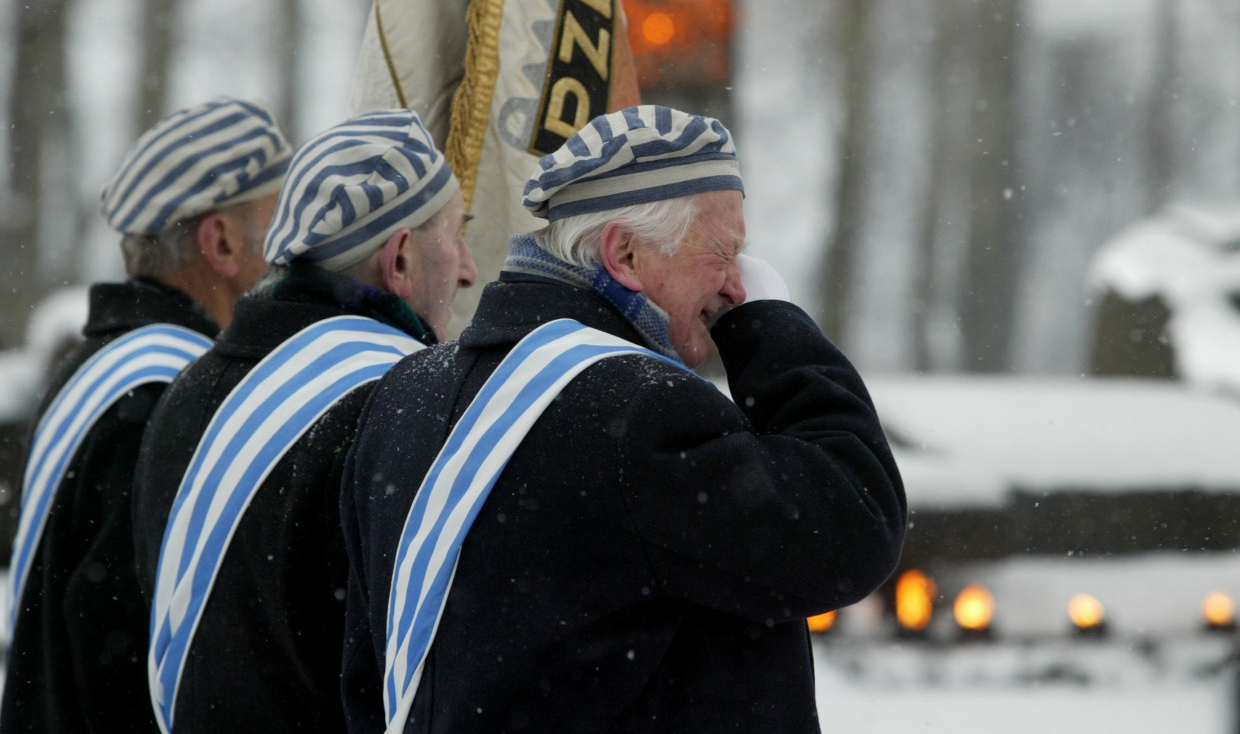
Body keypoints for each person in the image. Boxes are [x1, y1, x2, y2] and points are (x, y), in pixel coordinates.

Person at [339, 105, 907, 733]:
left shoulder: (401, 396)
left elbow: (369, 681)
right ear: (626, 253)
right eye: (725, 251)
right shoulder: (640, 410)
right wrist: (775, 333)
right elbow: (854, 526)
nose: (736, 286)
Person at [131, 109, 478, 734]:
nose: (469, 269)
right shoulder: (400, 404)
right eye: (457, 236)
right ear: (398, 261)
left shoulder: (188, 387)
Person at [1, 97, 290, 734]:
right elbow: (132, 661)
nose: (299, 242)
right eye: (282, 217)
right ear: (221, 240)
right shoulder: (166, 398)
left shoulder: (104, 365)